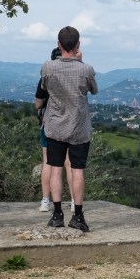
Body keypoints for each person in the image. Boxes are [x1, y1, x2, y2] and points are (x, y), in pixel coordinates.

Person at [40, 26, 98, 232]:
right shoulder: (86, 69)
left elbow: (45, 88)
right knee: (77, 170)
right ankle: (78, 215)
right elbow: (94, 90)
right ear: (78, 45)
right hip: (79, 127)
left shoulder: (47, 67)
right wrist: (80, 62)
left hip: (55, 125)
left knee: (55, 168)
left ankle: (57, 214)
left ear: (59, 44)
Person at [35, 47, 74, 213]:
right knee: (69, 163)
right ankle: (74, 201)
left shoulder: (47, 76)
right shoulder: (75, 75)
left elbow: (38, 103)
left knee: (48, 161)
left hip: (49, 123)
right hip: (71, 123)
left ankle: (45, 201)